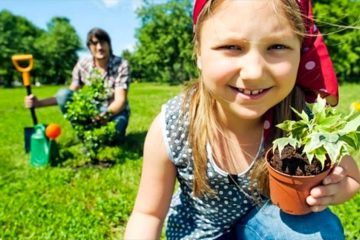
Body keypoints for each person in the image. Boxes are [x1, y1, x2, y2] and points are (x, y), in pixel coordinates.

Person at [125, 0, 360, 239]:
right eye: (231, 46)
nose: (254, 72)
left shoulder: (302, 122)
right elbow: (148, 214)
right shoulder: (176, 125)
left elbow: (352, 176)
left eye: (277, 46)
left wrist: (337, 189)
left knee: (318, 231)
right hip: (199, 233)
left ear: (300, 51)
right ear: (198, 52)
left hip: (265, 227)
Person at [24, 27, 131, 140]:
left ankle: (111, 134)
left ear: (109, 44)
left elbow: (120, 100)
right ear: (89, 47)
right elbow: (66, 96)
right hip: (94, 110)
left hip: (116, 112)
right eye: (94, 43)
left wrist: (102, 117)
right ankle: (84, 135)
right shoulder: (83, 65)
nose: (99, 47)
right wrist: (39, 103)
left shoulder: (121, 65)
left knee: (113, 137)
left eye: (103, 42)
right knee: (63, 94)